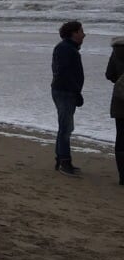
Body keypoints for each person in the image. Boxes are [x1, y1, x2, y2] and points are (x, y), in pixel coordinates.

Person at [51, 20, 86, 176]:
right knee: (66, 128)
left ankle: (62, 160)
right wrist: (76, 91)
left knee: (65, 127)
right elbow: (63, 73)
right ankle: (64, 162)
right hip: (64, 92)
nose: (84, 34)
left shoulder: (68, 48)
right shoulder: (65, 49)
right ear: (73, 33)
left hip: (65, 91)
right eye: (81, 31)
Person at [106, 37, 124, 186]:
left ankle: (122, 176)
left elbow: (109, 75)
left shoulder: (116, 51)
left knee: (121, 138)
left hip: (120, 100)